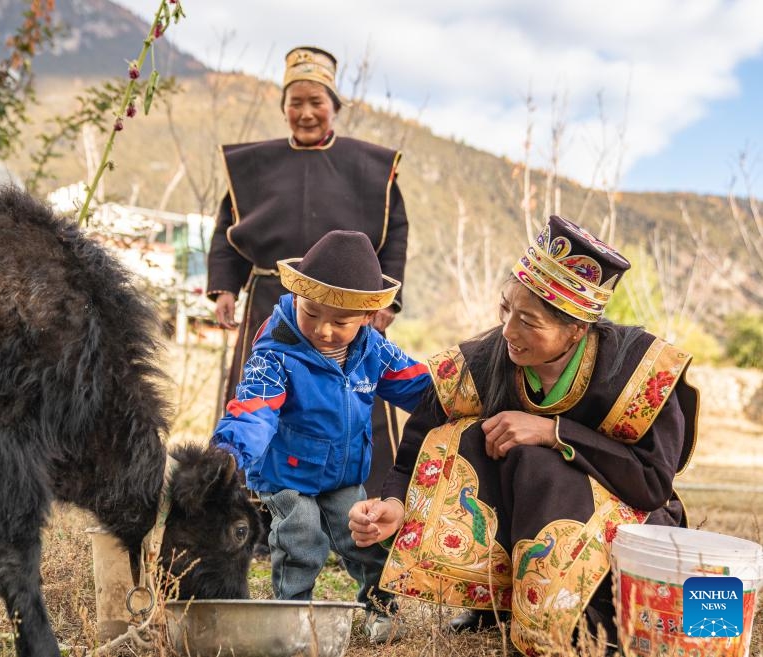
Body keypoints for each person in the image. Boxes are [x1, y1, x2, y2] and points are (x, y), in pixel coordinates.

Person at [348, 216, 699, 655]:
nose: (509, 330)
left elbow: (652, 485)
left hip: (625, 526)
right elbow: (420, 438)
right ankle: (496, 601)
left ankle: (562, 617)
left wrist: (556, 433)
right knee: (466, 436)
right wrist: (396, 504)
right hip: (536, 508)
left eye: (529, 321)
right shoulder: (489, 358)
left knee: (537, 463)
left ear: (576, 329)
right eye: (505, 309)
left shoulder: (636, 374)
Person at [206, 45, 409, 501]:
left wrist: (386, 301)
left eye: (316, 101)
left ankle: (368, 505)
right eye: (295, 102)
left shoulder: (370, 168)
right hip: (269, 300)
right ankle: (254, 506)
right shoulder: (252, 166)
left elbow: (394, 231)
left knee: (357, 399)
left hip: (351, 310)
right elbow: (227, 229)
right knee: (266, 398)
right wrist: (224, 288)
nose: (305, 112)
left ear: (333, 106)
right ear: (283, 109)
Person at [211, 230, 432, 644]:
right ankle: (295, 616)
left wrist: (459, 395)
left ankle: (381, 607)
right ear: (296, 297)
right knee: (303, 534)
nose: (324, 330)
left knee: (364, 534)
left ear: (367, 318)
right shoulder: (276, 352)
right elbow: (255, 409)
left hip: (341, 474)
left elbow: (418, 385)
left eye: (340, 322)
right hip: (286, 473)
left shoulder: (373, 350)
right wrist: (228, 452)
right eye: (311, 313)